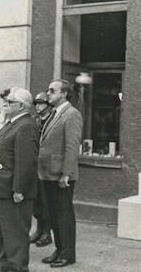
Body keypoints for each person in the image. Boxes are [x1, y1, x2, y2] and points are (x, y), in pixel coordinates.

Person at [0, 87, 39, 272]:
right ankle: (4, 265)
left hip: (11, 191)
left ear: (20, 106)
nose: (4, 104)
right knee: (1, 232)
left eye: (9, 102)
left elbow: (26, 161)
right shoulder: (12, 123)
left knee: (15, 234)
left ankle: (16, 268)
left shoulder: (26, 126)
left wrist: (19, 189)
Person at [39, 79, 83, 268]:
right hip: (49, 173)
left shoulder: (72, 114)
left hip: (61, 175)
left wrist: (67, 173)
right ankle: (59, 249)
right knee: (54, 214)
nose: (48, 94)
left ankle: (68, 254)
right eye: (48, 90)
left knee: (64, 215)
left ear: (64, 93)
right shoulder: (54, 113)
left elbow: (72, 146)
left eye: (52, 90)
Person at [29, 92, 53, 247]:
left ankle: (46, 232)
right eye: (36, 104)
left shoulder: (52, 120)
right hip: (34, 165)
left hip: (47, 166)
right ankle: (38, 229)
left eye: (41, 103)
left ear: (49, 105)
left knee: (46, 200)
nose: (38, 106)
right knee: (36, 200)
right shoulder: (34, 120)